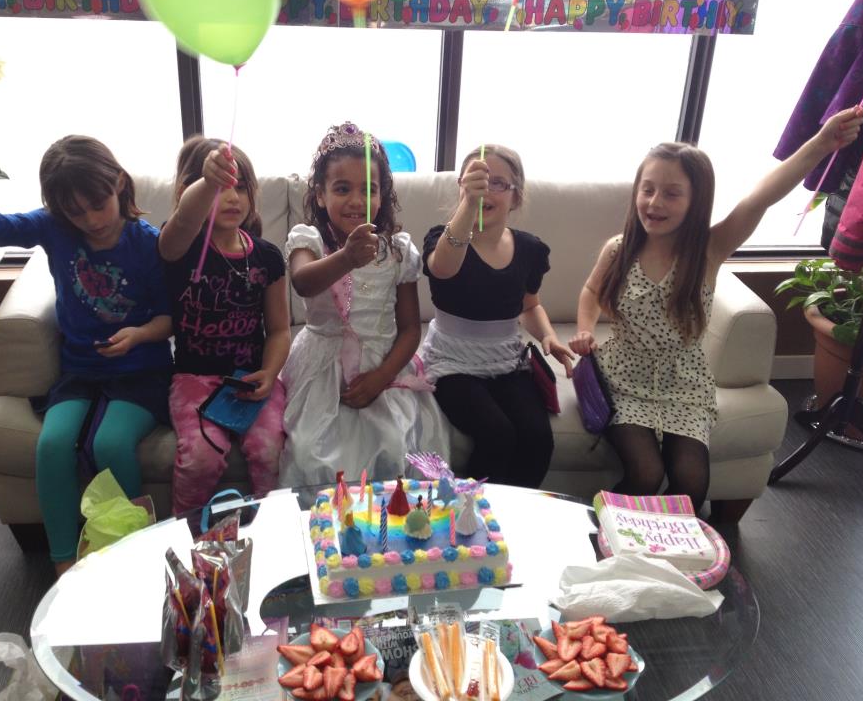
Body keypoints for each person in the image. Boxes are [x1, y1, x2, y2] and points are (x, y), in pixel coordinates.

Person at [569, 106, 863, 511]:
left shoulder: (708, 250)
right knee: (645, 474)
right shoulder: (619, 249)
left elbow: (761, 198)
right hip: (624, 376)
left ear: (696, 201)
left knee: (691, 485)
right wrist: (585, 329)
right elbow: (589, 290)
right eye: (648, 189)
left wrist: (821, 144)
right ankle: (605, 530)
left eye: (672, 193)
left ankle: (669, 553)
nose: (655, 202)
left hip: (685, 386)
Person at [0, 135, 173, 575]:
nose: (91, 220)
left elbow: (171, 317)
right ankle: (63, 564)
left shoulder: (147, 242)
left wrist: (138, 334)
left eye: (99, 204)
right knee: (51, 447)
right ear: (59, 210)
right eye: (75, 211)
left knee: (112, 443)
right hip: (81, 370)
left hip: (139, 368)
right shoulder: (55, 228)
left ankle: (134, 556)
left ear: (120, 186)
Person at [277, 121, 450, 489]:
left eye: (369, 189)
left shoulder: (398, 250)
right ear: (321, 195)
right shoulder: (308, 239)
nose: (357, 200)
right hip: (323, 369)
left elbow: (409, 329)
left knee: (395, 444)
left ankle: (387, 538)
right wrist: (346, 258)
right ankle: (327, 531)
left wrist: (380, 378)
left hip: (383, 368)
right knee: (310, 452)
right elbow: (303, 282)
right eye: (342, 189)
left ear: (381, 196)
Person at [421, 145, 573, 487]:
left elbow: (530, 304)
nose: (485, 191)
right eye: (475, 182)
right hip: (451, 362)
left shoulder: (530, 249)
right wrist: (467, 207)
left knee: (537, 438)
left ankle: (515, 515)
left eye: (498, 184)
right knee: (496, 434)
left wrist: (548, 336)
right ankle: (469, 512)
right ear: (461, 187)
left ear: (516, 197)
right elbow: (443, 269)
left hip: (507, 361)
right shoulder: (442, 238)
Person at [158, 137, 290, 512]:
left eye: (241, 186)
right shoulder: (180, 248)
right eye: (221, 188)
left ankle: (271, 527)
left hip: (250, 377)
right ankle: (188, 534)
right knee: (202, 456)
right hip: (193, 380)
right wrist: (207, 182)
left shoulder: (266, 256)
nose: (232, 197)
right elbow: (184, 220)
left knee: (268, 451)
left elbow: (280, 329)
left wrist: (268, 373)